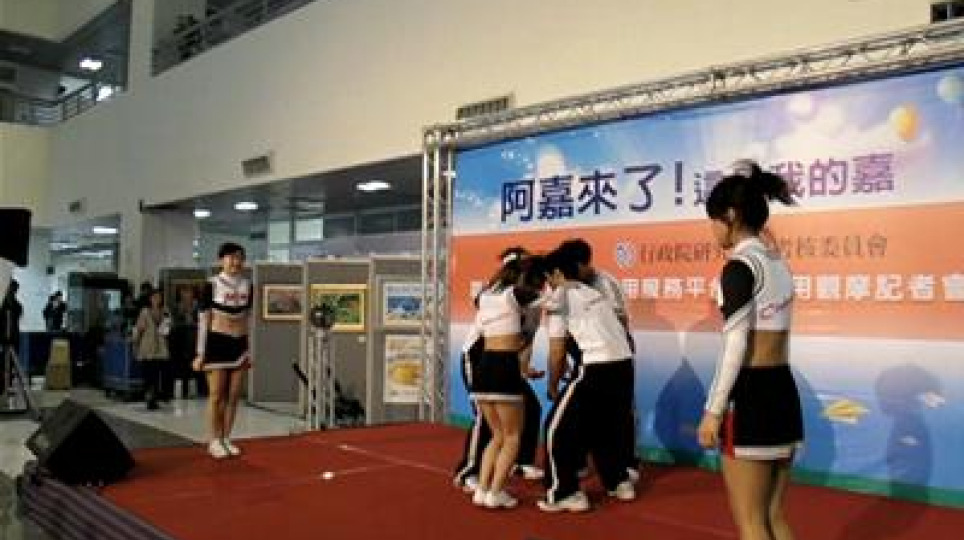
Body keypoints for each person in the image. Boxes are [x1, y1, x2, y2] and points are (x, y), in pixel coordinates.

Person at [696, 162, 801, 540]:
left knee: (752, 524)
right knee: (774, 517)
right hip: (783, 391)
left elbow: (735, 345)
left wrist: (713, 411)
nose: (712, 231)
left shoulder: (739, 268)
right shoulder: (778, 263)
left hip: (751, 398)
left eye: (713, 221)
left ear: (730, 216)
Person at [538, 248, 636, 513]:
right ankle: (618, 482)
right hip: (624, 366)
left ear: (557, 273)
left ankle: (565, 492)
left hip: (597, 367)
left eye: (548, 278)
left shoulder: (560, 296)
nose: (548, 284)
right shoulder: (594, 293)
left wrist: (552, 385)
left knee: (555, 429)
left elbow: (557, 351)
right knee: (606, 427)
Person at [453, 247, 545, 493]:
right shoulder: (500, 295)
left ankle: (521, 462)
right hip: (478, 356)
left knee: (531, 407)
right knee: (486, 418)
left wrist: (523, 369)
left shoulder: (533, 304)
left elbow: (526, 339)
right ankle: (468, 471)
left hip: (506, 362)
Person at [554, 238, 640, 480]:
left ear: (583, 264)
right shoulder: (565, 287)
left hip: (611, 350)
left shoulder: (605, 282)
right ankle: (579, 460)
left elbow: (620, 320)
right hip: (583, 350)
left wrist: (619, 345)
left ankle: (626, 465)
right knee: (581, 410)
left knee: (618, 411)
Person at [193, 243, 253, 459]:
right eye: (231, 257)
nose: (236, 262)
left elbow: (248, 319)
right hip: (216, 343)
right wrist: (200, 353)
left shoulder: (248, 285)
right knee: (217, 395)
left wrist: (249, 350)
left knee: (234, 395)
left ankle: (226, 437)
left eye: (239, 258)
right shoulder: (211, 285)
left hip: (239, 344)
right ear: (221, 260)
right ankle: (214, 439)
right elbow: (203, 320)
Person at [132, 288, 171, 410]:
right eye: (154, 297)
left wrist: (167, 326)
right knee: (148, 374)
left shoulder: (165, 311)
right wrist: (136, 344)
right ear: (150, 299)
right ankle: (149, 397)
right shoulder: (145, 312)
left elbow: (168, 328)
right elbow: (139, 329)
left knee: (158, 374)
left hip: (161, 347)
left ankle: (156, 396)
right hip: (147, 347)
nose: (157, 299)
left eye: (159, 297)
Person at [0, 279, 23, 392]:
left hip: (11, 337)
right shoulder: (7, 304)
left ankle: (7, 383)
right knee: (6, 361)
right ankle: (6, 383)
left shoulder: (13, 304)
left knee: (9, 361)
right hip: (7, 337)